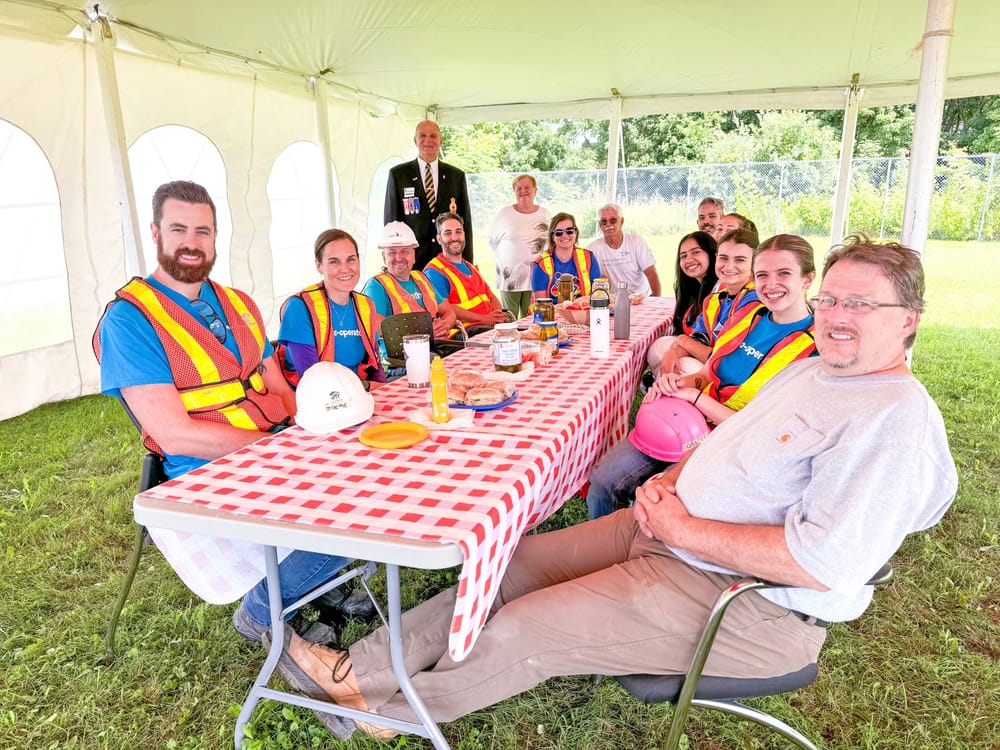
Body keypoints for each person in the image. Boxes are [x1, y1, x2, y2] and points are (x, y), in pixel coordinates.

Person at [267, 238, 957, 737]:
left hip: (749, 603)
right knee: (513, 564)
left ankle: (389, 715)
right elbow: (727, 437)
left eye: (860, 303)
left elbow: (820, 561)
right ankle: (356, 670)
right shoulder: (818, 370)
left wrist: (681, 525)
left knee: (526, 627)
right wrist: (673, 483)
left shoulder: (891, 417)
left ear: (907, 319)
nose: (836, 313)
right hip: (673, 531)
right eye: (831, 296)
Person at [93, 181, 354, 645]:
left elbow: (276, 383)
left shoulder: (238, 303)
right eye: (179, 229)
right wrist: (280, 447)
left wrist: (312, 430)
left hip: (277, 442)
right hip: (208, 468)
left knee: (371, 473)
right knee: (357, 511)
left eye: (203, 231)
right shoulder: (129, 319)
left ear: (216, 238)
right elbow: (175, 435)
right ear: (155, 233)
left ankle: (307, 583)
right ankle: (261, 610)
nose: (192, 242)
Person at [588, 234, 818, 519]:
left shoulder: (814, 348)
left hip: (732, 447)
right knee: (603, 480)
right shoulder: (749, 315)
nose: (770, 284)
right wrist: (676, 383)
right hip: (689, 424)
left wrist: (695, 398)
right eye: (762, 274)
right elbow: (709, 372)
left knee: (654, 501)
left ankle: (642, 553)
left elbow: (763, 431)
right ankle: (606, 545)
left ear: (808, 278)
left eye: (784, 273)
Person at [277, 229, 384, 389]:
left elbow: (375, 365)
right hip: (316, 400)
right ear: (319, 265)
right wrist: (366, 387)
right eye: (334, 261)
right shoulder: (299, 307)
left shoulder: (366, 304)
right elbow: (312, 378)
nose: (345, 268)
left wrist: (385, 393)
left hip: (358, 393)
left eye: (351, 259)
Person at [649, 227, 759, 377]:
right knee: (662, 349)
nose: (728, 266)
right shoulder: (715, 299)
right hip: (712, 364)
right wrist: (674, 351)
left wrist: (682, 342)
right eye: (724, 258)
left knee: (681, 364)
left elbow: (725, 360)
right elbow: (700, 337)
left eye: (739, 260)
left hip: (734, 378)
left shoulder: (755, 301)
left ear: (755, 263)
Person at [384, 120, 473, 270]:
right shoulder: (399, 174)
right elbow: (391, 223)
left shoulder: (455, 176)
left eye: (433, 136)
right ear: (415, 140)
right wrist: (392, 262)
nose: (428, 140)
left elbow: (465, 223)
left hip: (448, 260)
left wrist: (468, 262)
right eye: (423, 136)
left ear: (441, 141)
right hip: (412, 261)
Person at [362, 221, 458, 341]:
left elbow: (449, 312)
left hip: (434, 348)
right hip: (400, 356)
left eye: (405, 251)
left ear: (413, 255)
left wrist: (443, 326)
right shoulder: (376, 286)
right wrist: (424, 332)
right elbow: (375, 325)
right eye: (392, 252)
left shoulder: (421, 278)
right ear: (384, 257)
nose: (399, 258)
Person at [647, 231, 718, 378]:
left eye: (696, 252)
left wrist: (679, 347)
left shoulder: (720, 290)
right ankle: (660, 381)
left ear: (712, 254)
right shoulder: (692, 289)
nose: (689, 259)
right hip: (695, 350)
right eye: (683, 256)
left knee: (682, 364)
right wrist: (678, 347)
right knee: (658, 346)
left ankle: (665, 385)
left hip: (715, 361)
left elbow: (707, 341)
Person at [424, 213, 509, 335]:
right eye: (448, 233)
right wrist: (485, 319)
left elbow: (490, 297)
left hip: (487, 326)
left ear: (464, 235)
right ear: (439, 239)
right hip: (465, 332)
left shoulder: (470, 266)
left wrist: (497, 316)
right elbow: (446, 309)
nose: (454, 237)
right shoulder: (434, 271)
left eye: (458, 232)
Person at [488, 174, 552, 318]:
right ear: (514, 191)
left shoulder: (545, 214)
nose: (523, 191)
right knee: (509, 319)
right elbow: (492, 241)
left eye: (527, 187)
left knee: (532, 318)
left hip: (537, 276)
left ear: (535, 190)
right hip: (510, 276)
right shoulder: (504, 213)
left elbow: (552, 241)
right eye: (519, 188)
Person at [585, 203, 661, 297]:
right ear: (600, 225)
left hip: (641, 298)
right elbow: (589, 281)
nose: (608, 224)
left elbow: (652, 274)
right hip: (612, 301)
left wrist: (657, 300)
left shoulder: (637, 242)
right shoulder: (591, 250)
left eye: (613, 220)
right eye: (604, 221)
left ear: (622, 221)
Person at [530, 212, 602, 303]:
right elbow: (542, 305)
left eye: (569, 231)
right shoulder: (541, 264)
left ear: (575, 233)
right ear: (552, 236)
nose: (565, 235)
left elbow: (597, 295)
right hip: (551, 315)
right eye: (559, 232)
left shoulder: (589, 258)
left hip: (583, 312)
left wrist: (576, 305)